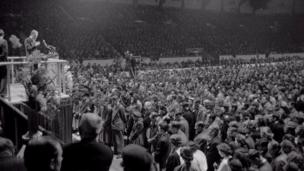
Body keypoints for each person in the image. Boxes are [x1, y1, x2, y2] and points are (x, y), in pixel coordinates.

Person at [0, 29, 8, 97]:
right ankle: (3, 93)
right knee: (4, 77)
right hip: (3, 62)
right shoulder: (4, 41)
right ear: (3, 35)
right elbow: (5, 52)